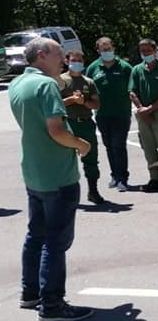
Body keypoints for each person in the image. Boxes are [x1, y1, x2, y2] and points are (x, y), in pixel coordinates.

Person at [9, 37, 94, 321]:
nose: (64, 60)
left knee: (36, 235)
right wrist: (81, 145)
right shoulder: (46, 85)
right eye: (59, 54)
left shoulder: (18, 83)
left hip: (35, 171)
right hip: (57, 174)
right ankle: (53, 305)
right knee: (56, 242)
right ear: (42, 55)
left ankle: (30, 293)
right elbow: (56, 131)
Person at [86, 37, 133, 192]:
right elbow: (88, 90)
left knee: (119, 145)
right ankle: (114, 175)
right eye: (103, 49)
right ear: (98, 50)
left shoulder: (125, 67)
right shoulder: (93, 68)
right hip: (102, 114)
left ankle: (123, 178)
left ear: (114, 48)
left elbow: (133, 88)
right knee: (108, 145)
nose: (107, 52)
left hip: (121, 113)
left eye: (109, 49)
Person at [129, 38, 158, 192]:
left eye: (148, 51)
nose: (145, 54)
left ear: (155, 51)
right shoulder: (137, 70)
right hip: (142, 113)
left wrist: (151, 109)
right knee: (148, 146)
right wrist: (142, 109)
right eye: (142, 51)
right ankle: (154, 178)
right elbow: (132, 91)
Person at [59, 49, 103, 205]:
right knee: (64, 160)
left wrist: (83, 102)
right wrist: (71, 100)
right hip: (67, 123)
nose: (76, 63)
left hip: (85, 123)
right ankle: (64, 195)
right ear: (66, 61)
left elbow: (96, 104)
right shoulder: (59, 80)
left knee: (91, 157)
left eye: (79, 61)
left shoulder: (88, 82)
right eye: (73, 60)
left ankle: (93, 191)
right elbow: (54, 104)